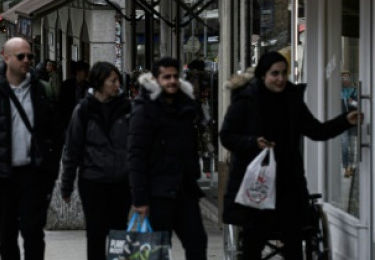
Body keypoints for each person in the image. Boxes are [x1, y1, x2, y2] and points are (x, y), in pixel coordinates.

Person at [220, 51, 361, 259]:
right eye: (274, 74)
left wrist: (345, 121)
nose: (280, 79)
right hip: (257, 184)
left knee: (294, 243)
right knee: (253, 243)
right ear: (263, 75)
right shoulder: (246, 100)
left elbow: (316, 130)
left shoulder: (292, 99)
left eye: (284, 73)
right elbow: (227, 136)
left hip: (288, 183)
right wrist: (253, 142)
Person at [0, 37, 62, 260]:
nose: (26, 60)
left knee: (33, 232)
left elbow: (56, 133)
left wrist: (51, 169)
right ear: (6, 58)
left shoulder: (43, 90)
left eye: (30, 56)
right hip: (1, 175)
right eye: (21, 56)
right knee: (6, 235)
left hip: (34, 174)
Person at [128, 57, 207, 260]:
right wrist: (140, 199)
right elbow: (136, 156)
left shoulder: (186, 105)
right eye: (166, 77)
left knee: (197, 242)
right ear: (156, 79)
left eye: (175, 76)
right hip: (157, 193)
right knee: (157, 250)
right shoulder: (144, 109)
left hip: (184, 190)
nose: (172, 81)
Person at [60, 62, 131, 260]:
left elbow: (137, 147)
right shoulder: (83, 110)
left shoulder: (127, 108)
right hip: (93, 181)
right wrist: (66, 185)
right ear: (100, 82)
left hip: (121, 181)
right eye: (113, 81)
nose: (117, 85)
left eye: (118, 80)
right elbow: (72, 150)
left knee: (119, 233)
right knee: (95, 233)